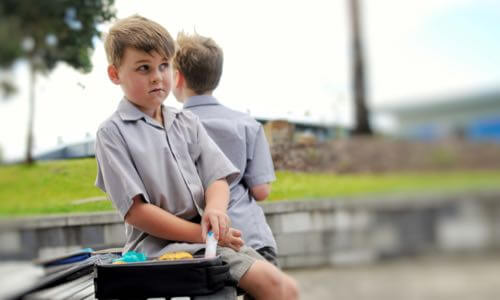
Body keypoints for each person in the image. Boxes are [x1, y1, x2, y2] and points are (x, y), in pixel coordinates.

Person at [94, 15, 299, 300]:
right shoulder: (112, 133)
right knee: (267, 285)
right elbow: (136, 212)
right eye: (144, 68)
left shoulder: (186, 121)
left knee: (286, 288)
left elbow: (217, 177)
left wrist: (216, 210)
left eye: (164, 66)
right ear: (115, 74)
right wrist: (202, 235)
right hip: (161, 247)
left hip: (208, 238)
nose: (157, 76)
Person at [172, 32, 279, 266]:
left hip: (196, 245)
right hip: (251, 238)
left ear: (177, 78)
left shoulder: (170, 128)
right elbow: (261, 191)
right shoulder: (248, 124)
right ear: (216, 77)